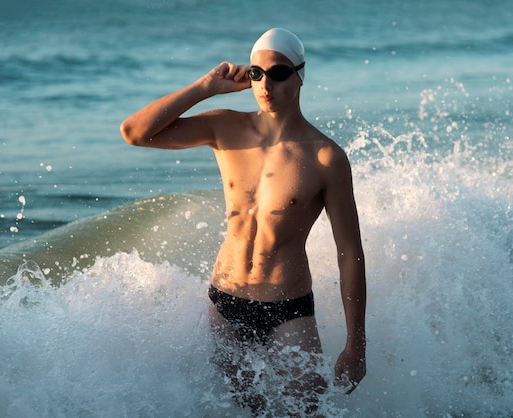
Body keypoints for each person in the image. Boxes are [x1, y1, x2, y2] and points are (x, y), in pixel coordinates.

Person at [120, 28, 366, 414]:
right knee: (247, 410)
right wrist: (204, 87)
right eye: (256, 73)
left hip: (288, 310)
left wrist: (356, 345)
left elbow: (349, 253)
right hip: (224, 302)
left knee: (310, 412)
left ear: (300, 75)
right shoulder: (225, 127)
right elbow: (134, 133)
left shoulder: (325, 158)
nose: (266, 84)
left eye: (279, 73)